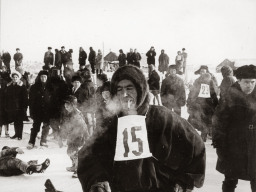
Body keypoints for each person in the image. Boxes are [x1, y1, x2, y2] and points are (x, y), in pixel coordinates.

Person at [77, 65, 206, 192]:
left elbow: (195, 145)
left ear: (140, 90)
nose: (124, 94)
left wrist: (185, 181)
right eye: (119, 89)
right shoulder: (111, 123)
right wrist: (97, 181)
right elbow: (88, 155)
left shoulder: (162, 117)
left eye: (129, 88)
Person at [212, 65, 256, 192]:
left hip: (254, 145)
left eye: (253, 82)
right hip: (234, 145)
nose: (250, 85)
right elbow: (218, 122)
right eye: (246, 82)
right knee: (230, 179)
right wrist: (220, 145)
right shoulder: (229, 96)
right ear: (239, 81)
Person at [187, 68, 219, 142]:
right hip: (201, 104)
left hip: (205, 105)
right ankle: (200, 135)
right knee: (200, 120)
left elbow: (213, 93)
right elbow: (193, 93)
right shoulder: (200, 81)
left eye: (203, 72)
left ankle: (202, 136)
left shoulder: (208, 82)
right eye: (201, 72)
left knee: (202, 120)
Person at [61, 95, 89, 178]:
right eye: (65, 104)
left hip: (78, 136)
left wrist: (85, 136)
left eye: (68, 104)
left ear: (73, 105)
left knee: (75, 153)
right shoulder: (69, 113)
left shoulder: (77, 114)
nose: (66, 106)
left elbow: (83, 126)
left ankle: (78, 169)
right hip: (72, 136)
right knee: (69, 152)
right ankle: (74, 165)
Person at [27, 70, 52, 149]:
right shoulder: (34, 87)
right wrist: (31, 112)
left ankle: (43, 141)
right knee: (35, 127)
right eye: (42, 77)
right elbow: (31, 101)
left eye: (45, 77)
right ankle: (31, 142)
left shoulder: (50, 87)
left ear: (47, 77)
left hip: (47, 111)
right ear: (39, 77)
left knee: (46, 127)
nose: (43, 78)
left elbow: (53, 100)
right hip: (37, 111)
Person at [5, 71, 28, 140]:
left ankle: (20, 135)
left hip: (20, 106)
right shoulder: (10, 86)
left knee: (19, 121)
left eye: (16, 77)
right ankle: (16, 134)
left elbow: (25, 97)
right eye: (13, 77)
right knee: (15, 121)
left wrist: (24, 106)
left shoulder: (22, 86)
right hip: (12, 106)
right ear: (12, 78)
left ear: (18, 78)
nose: (15, 78)